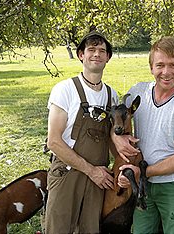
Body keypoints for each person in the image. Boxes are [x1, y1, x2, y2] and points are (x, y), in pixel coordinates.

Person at [112, 36, 174, 234]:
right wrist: (117, 138)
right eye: (160, 65)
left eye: (173, 65)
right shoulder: (138, 93)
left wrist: (142, 173)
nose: (166, 72)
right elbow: (117, 118)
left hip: (172, 185)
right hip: (142, 186)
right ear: (151, 67)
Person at [45, 30, 119, 234]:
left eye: (102, 51)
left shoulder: (112, 96)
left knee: (91, 229)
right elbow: (53, 142)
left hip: (99, 178)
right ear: (81, 55)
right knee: (58, 229)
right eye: (91, 50)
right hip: (67, 173)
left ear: (108, 57)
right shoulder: (65, 89)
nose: (97, 54)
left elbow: (113, 141)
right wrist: (91, 170)